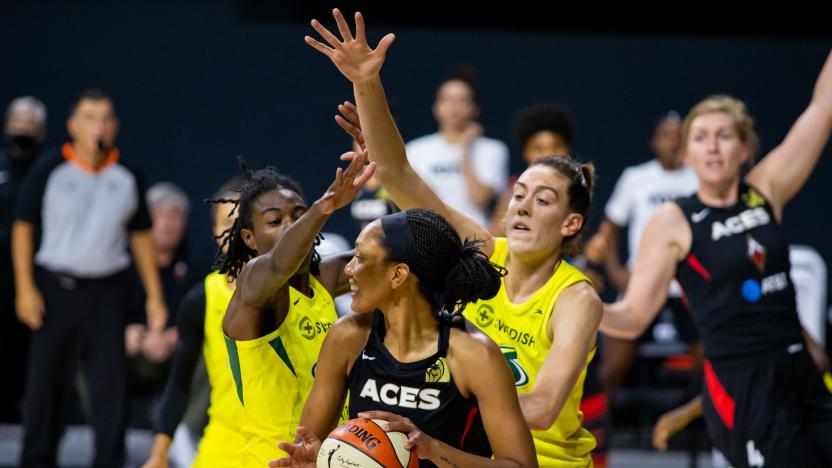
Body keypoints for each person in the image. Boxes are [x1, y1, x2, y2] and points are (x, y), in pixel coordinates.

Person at [307, 9, 602, 465]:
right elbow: (398, 174)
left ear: (571, 224)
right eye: (519, 193)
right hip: (459, 451)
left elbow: (542, 409)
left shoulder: (575, 297)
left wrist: (447, 394)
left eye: (542, 201)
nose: (521, 205)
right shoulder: (483, 253)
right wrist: (366, 82)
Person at [600, 51, 832, 467]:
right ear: (686, 155)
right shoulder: (674, 221)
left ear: (744, 149)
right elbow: (634, 315)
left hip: (799, 373)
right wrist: (576, 304)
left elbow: (823, 108)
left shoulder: (765, 189)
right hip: (742, 387)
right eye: (701, 137)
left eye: (724, 135)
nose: (712, 146)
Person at [271, 209, 537, 468]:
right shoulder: (348, 338)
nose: (349, 269)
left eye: (360, 258)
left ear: (398, 275)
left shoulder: (474, 354)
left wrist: (434, 450)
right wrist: (321, 459)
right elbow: (309, 444)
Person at [12, 88, 168, 467]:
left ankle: (109, 460)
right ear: (72, 125)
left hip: (107, 292)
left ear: (114, 126)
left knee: (108, 388)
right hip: (56, 288)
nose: (99, 125)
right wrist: (25, 288)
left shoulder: (127, 175)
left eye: (105, 118)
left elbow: (142, 236)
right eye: (90, 117)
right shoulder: (51, 169)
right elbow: (23, 227)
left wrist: (155, 296)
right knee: (45, 388)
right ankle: (36, 459)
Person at [219, 154, 374, 467]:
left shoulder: (322, 281)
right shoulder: (253, 287)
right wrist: (324, 206)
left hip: (325, 456)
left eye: (298, 216)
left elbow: (385, 253)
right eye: (275, 221)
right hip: (272, 459)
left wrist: (382, 165)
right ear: (249, 238)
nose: (291, 226)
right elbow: (279, 265)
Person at [587, 112, 702, 395]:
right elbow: (610, 227)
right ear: (654, 142)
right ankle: (599, 431)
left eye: (679, 136)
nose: (672, 142)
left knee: (712, 366)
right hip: (643, 282)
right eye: (666, 135)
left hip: (688, 283)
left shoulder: (700, 178)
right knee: (611, 368)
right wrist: (615, 271)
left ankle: (711, 434)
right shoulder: (636, 177)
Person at [142, 177, 244, 468]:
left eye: (243, 223)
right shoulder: (202, 297)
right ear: (215, 231)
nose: (236, 234)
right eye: (227, 223)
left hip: (283, 444)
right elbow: (178, 384)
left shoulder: (299, 288)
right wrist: (159, 454)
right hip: (223, 443)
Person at [404, 71, 509, 227]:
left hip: (476, 239)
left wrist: (466, 151)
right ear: (436, 108)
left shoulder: (494, 150)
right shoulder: (415, 150)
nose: (454, 106)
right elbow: (413, 202)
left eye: (462, 100)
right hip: (430, 235)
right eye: (447, 99)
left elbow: (479, 199)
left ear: (474, 108)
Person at [0, 96, 48, 422]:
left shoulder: (47, 171)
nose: (23, 129)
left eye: (30, 125)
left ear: (41, 132)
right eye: (18, 122)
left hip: (36, 278)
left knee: (30, 350)